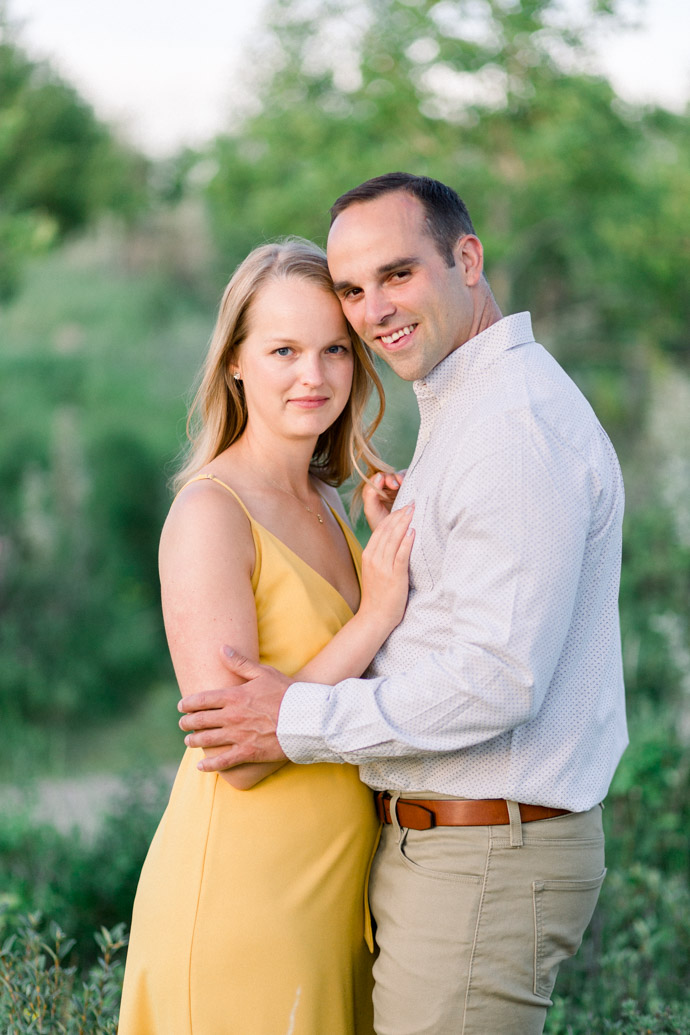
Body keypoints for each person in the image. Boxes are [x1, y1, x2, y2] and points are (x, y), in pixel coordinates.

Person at [177, 174, 629, 1035]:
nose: (374, 310)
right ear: (234, 359)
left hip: (483, 852)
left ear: (466, 258)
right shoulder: (466, 411)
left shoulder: (509, 425)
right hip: (423, 854)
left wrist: (297, 718)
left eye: (397, 274)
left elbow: (497, 678)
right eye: (353, 290)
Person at [118, 237, 416, 1035]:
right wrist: (377, 611)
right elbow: (240, 756)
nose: (312, 375)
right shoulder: (211, 512)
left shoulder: (331, 503)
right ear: (236, 363)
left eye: (333, 350)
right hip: (244, 903)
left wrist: (375, 553)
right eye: (283, 349)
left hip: (333, 901)